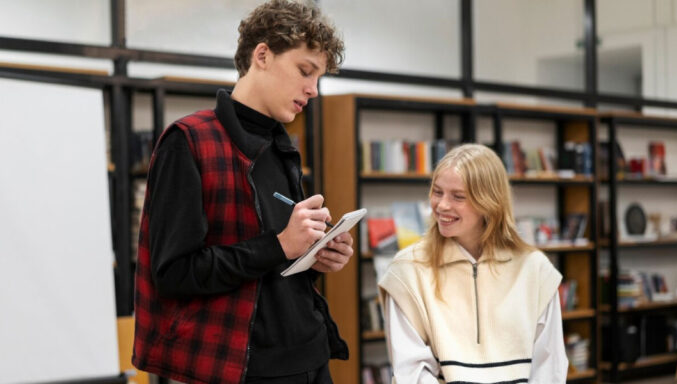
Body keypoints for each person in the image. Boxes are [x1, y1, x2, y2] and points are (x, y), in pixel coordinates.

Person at [131, 1, 350, 384]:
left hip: (312, 355)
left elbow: (270, 269)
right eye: (305, 71)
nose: (313, 90)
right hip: (245, 369)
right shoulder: (188, 142)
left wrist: (314, 255)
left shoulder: (282, 146)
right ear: (262, 55)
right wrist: (280, 245)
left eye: (318, 78)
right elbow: (174, 274)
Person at [378, 144, 568, 383]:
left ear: (489, 202)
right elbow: (411, 373)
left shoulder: (535, 270)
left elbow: (549, 368)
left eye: (458, 196)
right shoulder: (406, 271)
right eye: (437, 192)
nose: (442, 205)